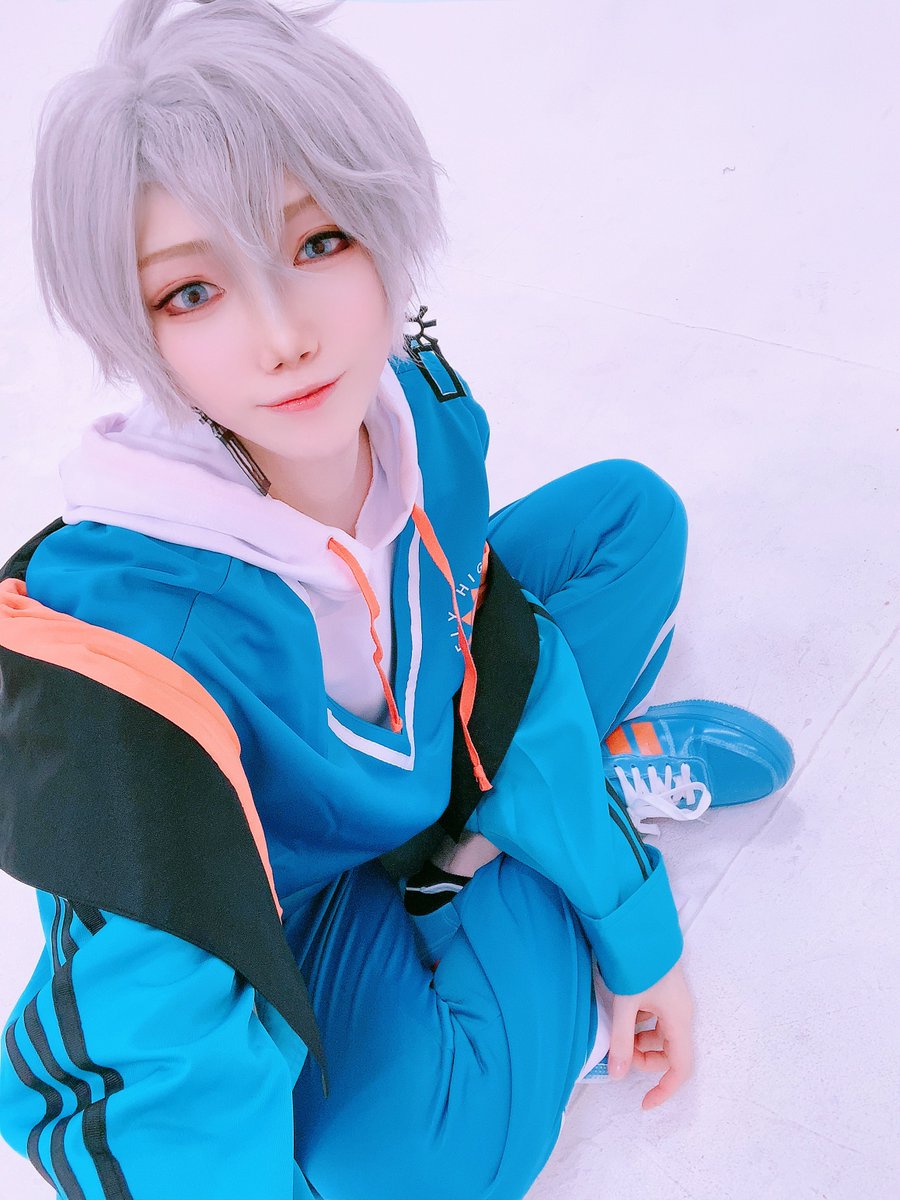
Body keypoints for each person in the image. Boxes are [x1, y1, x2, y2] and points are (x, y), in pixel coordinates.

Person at [0, 2, 794, 1198]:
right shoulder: (133, 652)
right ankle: (509, 840)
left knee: (630, 522)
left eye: (317, 242)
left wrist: (640, 934)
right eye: (192, 293)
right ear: (135, 325)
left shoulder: (415, 415)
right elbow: (152, 1036)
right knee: (411, 1165)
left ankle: (520, 817)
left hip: (422, 747)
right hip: (292, 901)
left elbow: (501, 651)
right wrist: (610, 902)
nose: (284, 335)